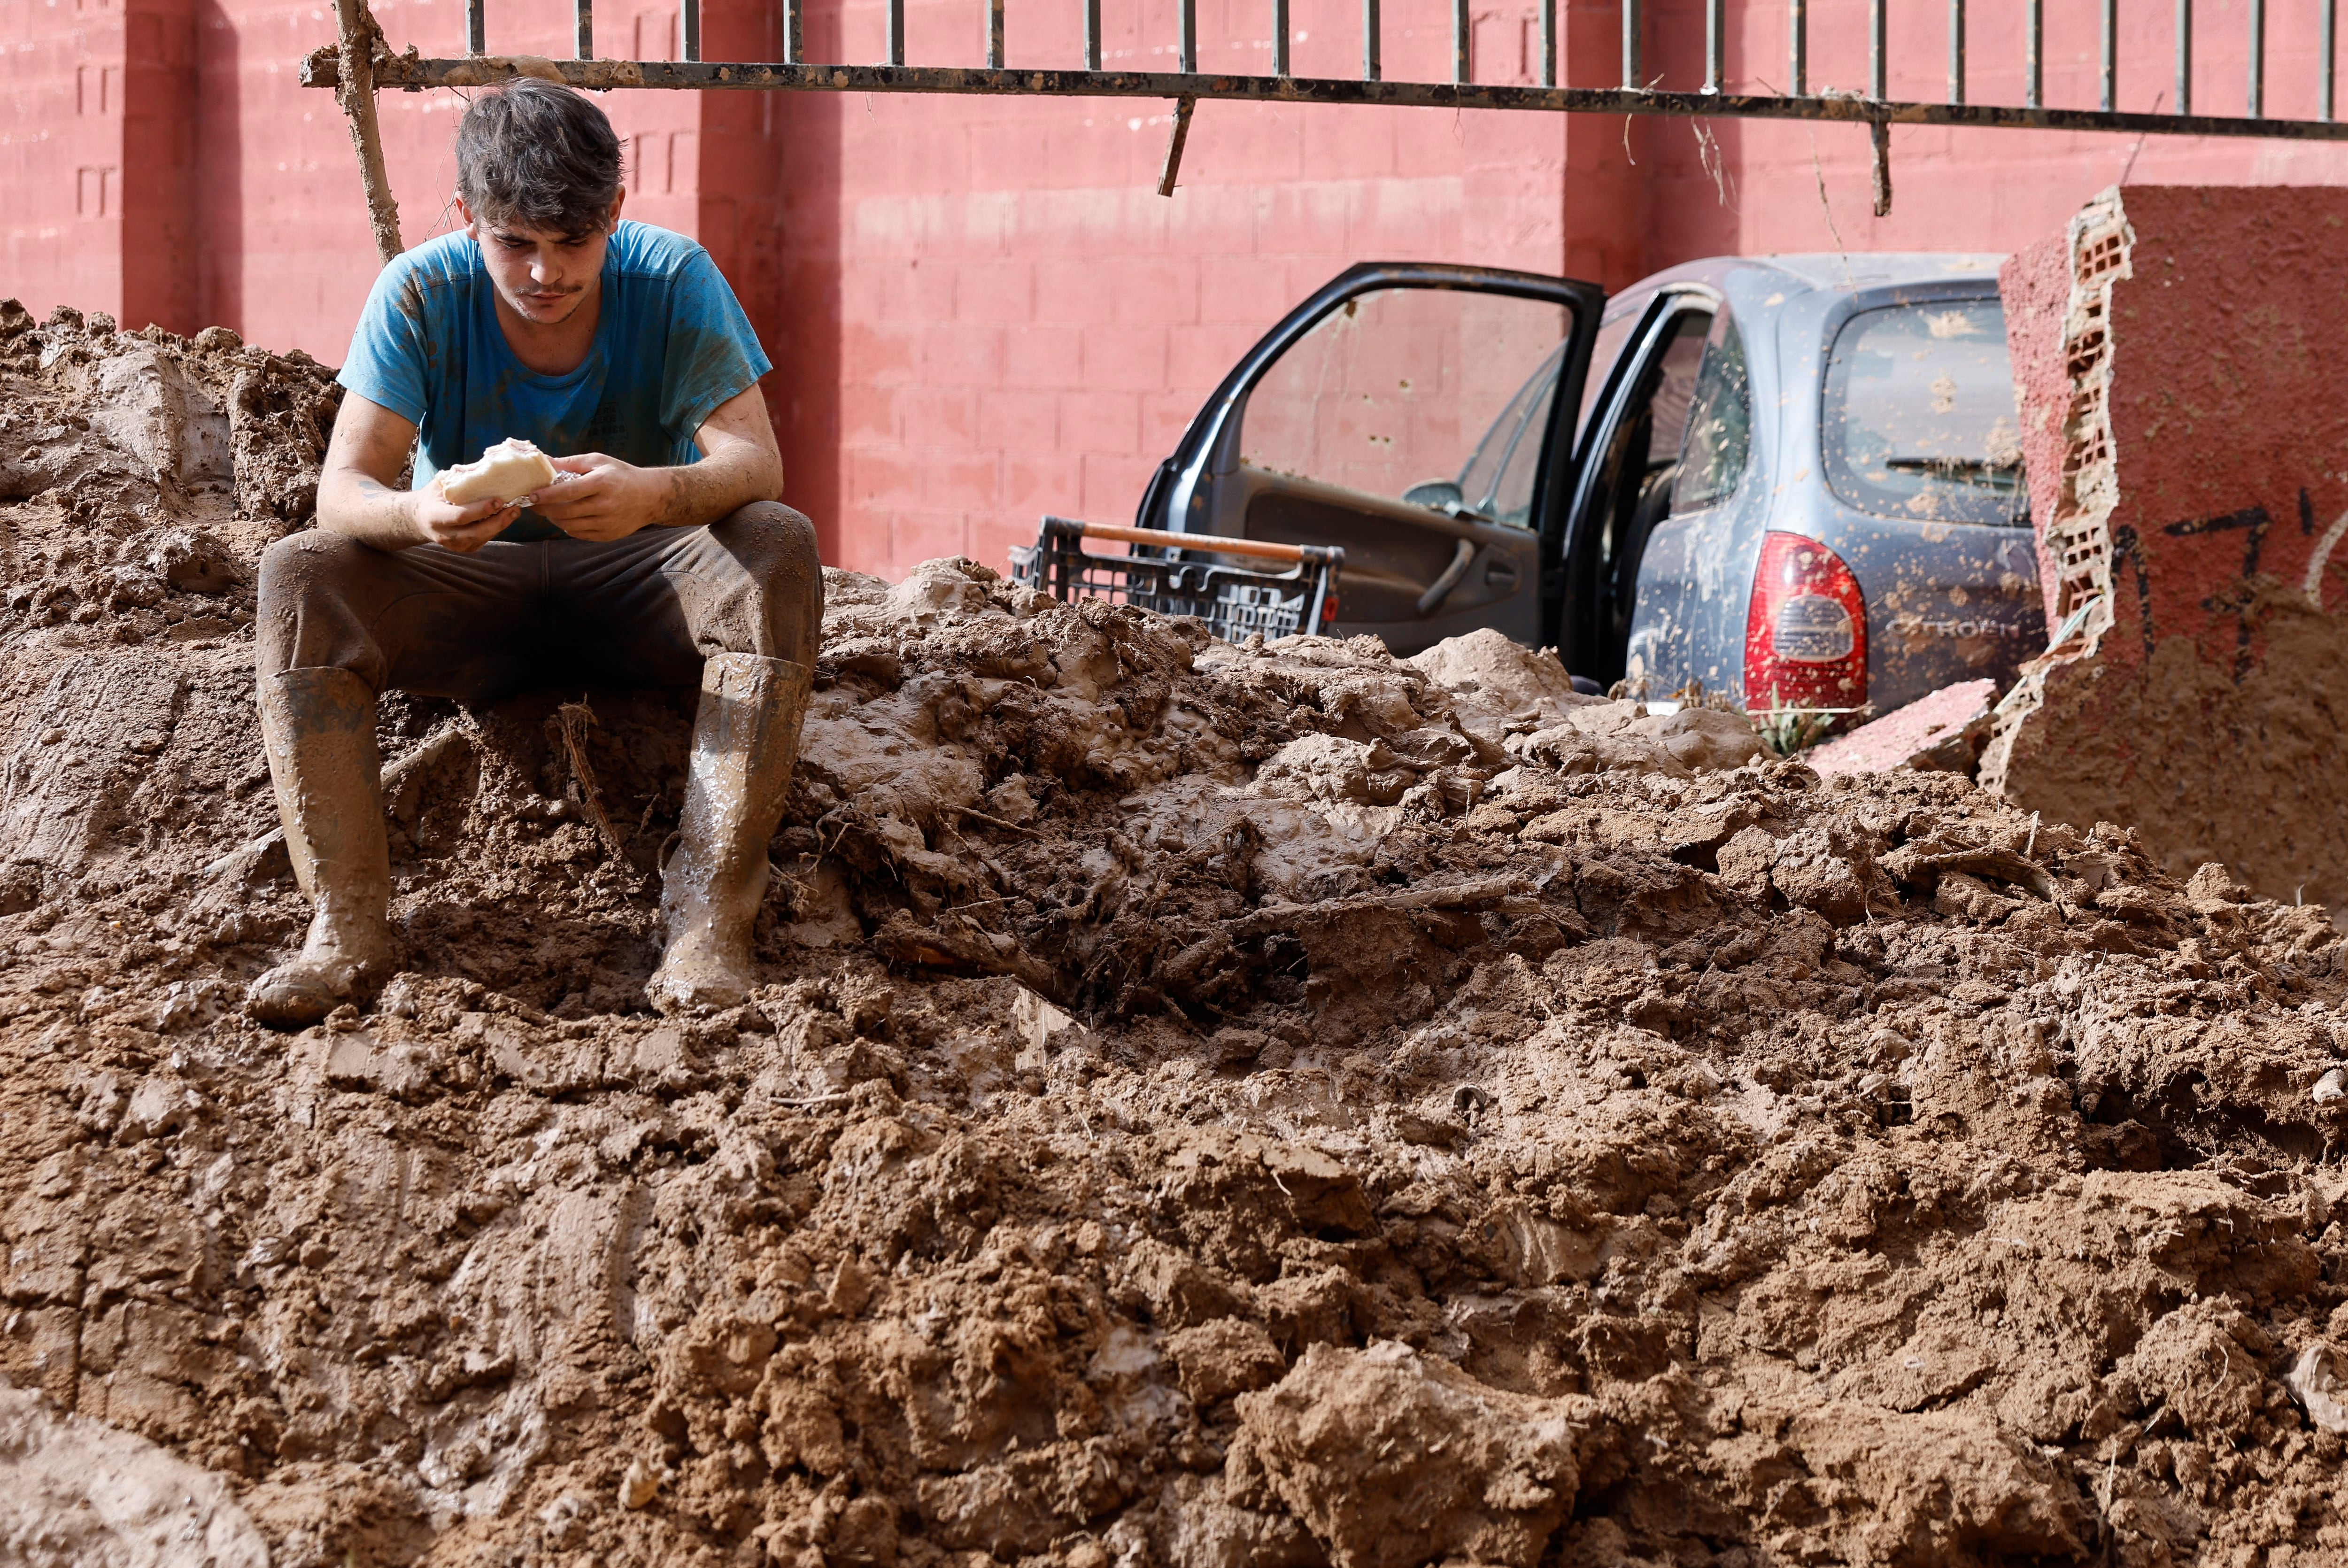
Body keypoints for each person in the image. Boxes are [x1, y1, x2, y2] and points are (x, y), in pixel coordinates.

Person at [248, 77, 821, 1026]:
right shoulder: (423, 290)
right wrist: (423, 513)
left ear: (617, 216)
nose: (545, 273)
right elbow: (343, 489)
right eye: (515, 242)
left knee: (777, 543)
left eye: (574, 243)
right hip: (467, 588)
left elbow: (756, 461)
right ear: (470, 218)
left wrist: (653, 493)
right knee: (299, 573)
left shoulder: (674, 278)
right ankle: (345, 925)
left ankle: (712, 917)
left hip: (643, 583)